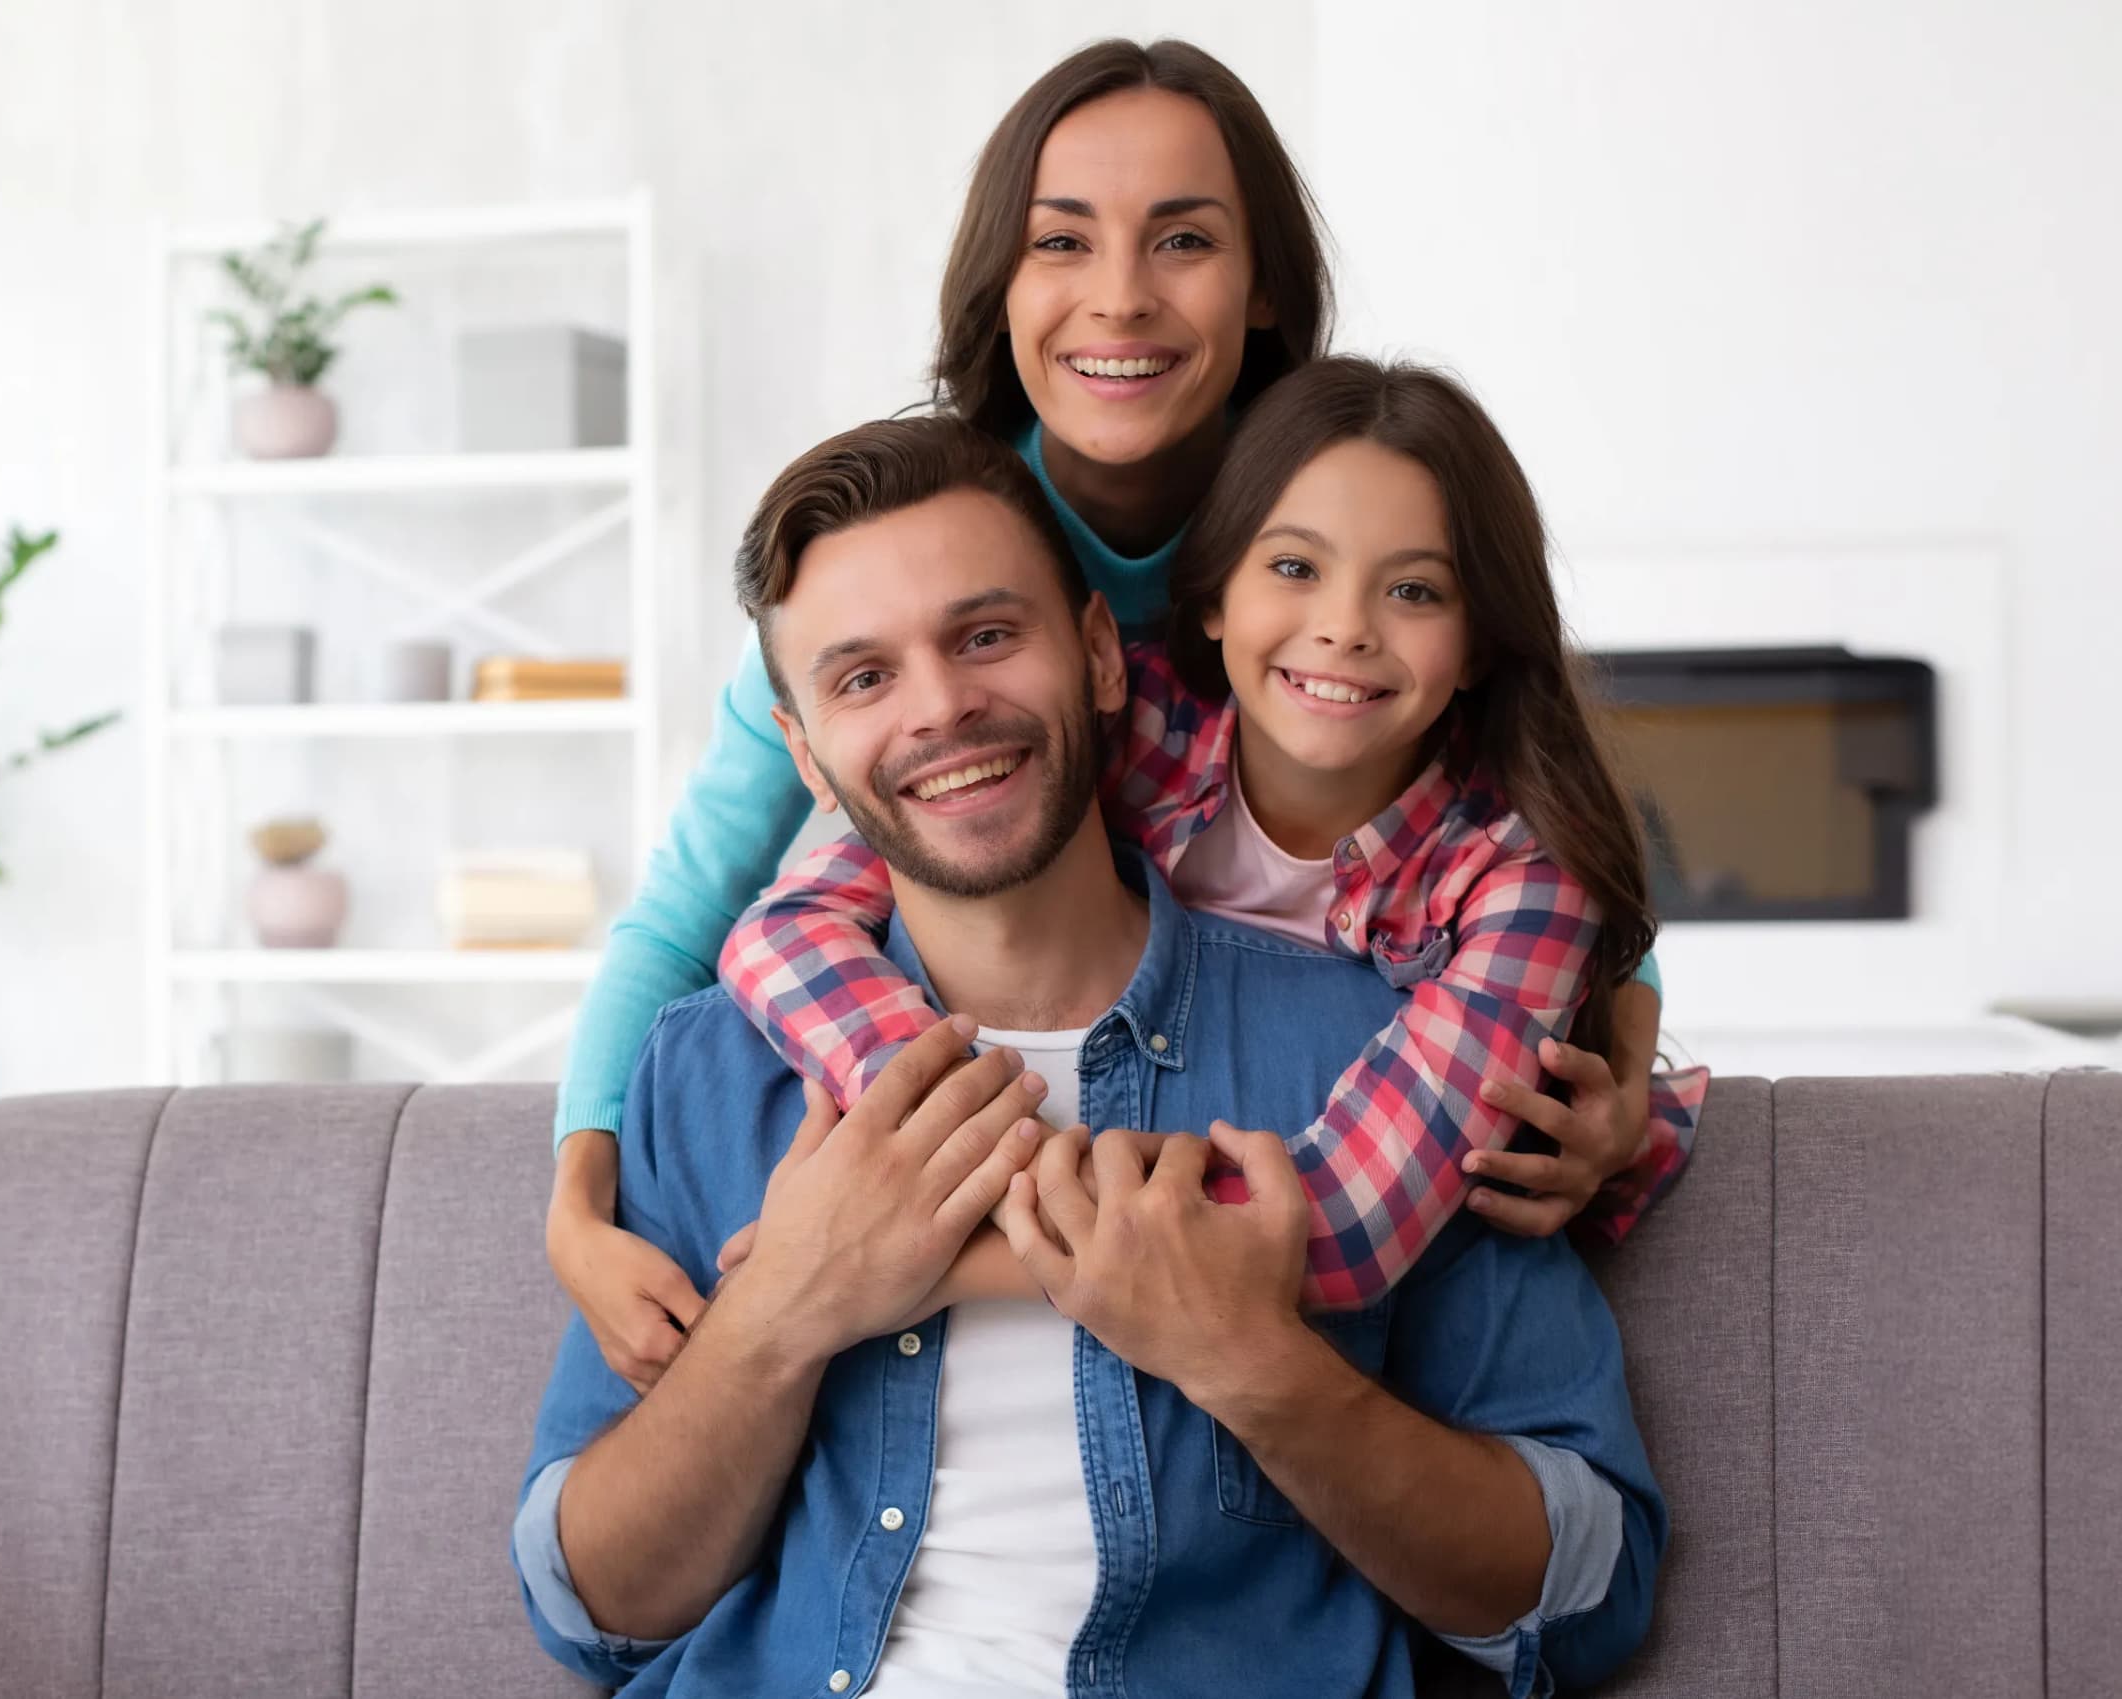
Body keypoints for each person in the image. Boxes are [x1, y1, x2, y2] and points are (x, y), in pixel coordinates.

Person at [548, 35, 1699, 1386]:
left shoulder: (1350, 504)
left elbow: (1564, 873)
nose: (1121, 298)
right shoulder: (902, 568)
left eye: (1184, 241)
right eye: (1063, 241)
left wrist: (1618, 1072)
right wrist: (581, 1200)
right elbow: (707, 911)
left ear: (1264, 281)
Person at [513, 416, 1661, 1696]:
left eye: (986, 636)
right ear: (805, 756)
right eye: (863, 679)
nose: (942, 708)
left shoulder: (1383, 1054)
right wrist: (784, 1308)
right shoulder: (713, 1068)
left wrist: (1259, 1368)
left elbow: (1589, 1584)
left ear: (1105, 656)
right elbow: (586, 1610)